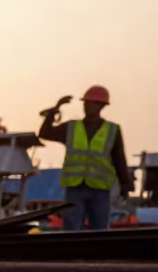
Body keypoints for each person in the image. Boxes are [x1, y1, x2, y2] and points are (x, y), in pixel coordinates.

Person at [38, 86, 132, 231]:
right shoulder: (71, 127)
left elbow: (119, 158)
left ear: (101, 106)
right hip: (75, 187)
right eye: (86, 103)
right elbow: (45, 133)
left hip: (100, 189)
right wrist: (55, 109)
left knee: (99, 230)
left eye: (92, 103)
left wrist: (125, 185)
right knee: (71, 230)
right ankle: (72, 254)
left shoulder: (112, 130)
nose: (87, 106)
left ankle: (96, 254)